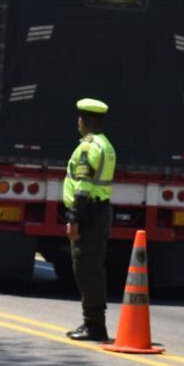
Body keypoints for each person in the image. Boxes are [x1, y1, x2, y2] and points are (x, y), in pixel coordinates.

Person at [64, 98, 116, 342]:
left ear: (83, 121)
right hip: (100, 211)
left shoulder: (87, 148)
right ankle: (94, 323)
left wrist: (74, 216)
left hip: (89, 214)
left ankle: (94, 325)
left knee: (86, 269)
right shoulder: (106, 145)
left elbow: (83, 185)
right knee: (93, 267)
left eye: (79, 118)